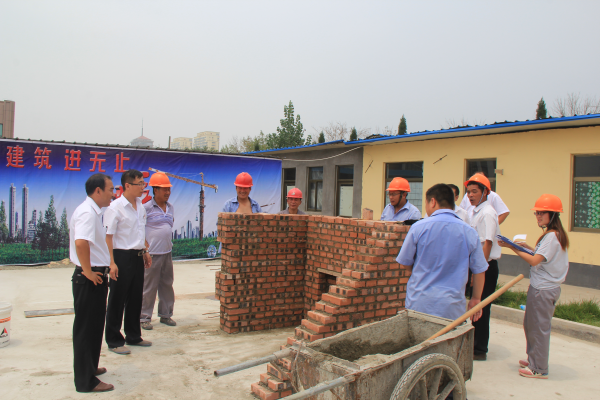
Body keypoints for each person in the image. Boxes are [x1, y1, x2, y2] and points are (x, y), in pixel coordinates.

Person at [498, 194, 569, 379]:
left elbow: (535, 260)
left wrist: (513, 247)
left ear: (553, 215)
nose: (538, 216)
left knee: (538, 328)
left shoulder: (552, 236)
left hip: (544, 290)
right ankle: (533, 359)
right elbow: (540, 255)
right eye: (536, 213)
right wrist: (525, 247)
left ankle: (539, 368)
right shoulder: (552, 235)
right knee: (531, 325)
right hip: (541, 287)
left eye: (541, 213)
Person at [396, 183, 488, 321]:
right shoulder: (469, 232)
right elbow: (479, 270)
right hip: (452, 307)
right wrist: (475, 298)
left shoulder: (418, 228)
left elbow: (405, 262)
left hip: (420, 303)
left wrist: (415, 270)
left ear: (432, 202)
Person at [69, 173, 115, 392]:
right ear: (98, 191)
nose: (113, 194)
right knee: (86, 330)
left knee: (95, 327)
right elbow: (81, 243)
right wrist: (87, 271)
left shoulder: (94, 212)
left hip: (96, 276)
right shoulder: (87, 212)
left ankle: (90, 367)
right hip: (89, 278)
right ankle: (86, 382)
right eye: (110, 190)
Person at [104, 169, 153, 355]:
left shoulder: (140, 206)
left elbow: (140, 231)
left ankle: (133, 335)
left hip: (138, 255)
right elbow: (108, 237)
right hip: (121, 256)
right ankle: (114, 340)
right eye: (139, 184)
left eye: (143, 184)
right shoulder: (115, 208)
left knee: (135, 297)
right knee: (117, 298)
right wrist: (111, 262)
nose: (142, 188)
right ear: (127, 185)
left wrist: (145, 251)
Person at [465, 173, 501, 361]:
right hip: (478, 266)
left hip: (486, 267)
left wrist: (479, 270)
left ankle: (479, 349)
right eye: (468, 192)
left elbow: (487, 244)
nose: (470, 195)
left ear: (485, 192)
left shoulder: (488, 213)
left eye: (474, 192)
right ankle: (473, 344)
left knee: (481, 308)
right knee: (475, 306)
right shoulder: (475, 211)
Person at [140, 172, 176, 330]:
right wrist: (145, 249)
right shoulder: (146, 208)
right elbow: (139, 230)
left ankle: (166, 314)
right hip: (152, 255)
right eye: (164, 189)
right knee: (149, 287)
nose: (167, 192)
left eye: (169, 189)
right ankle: (144, 317)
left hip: (167, 253)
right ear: (155, 190)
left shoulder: (170, 207)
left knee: (167, 285)